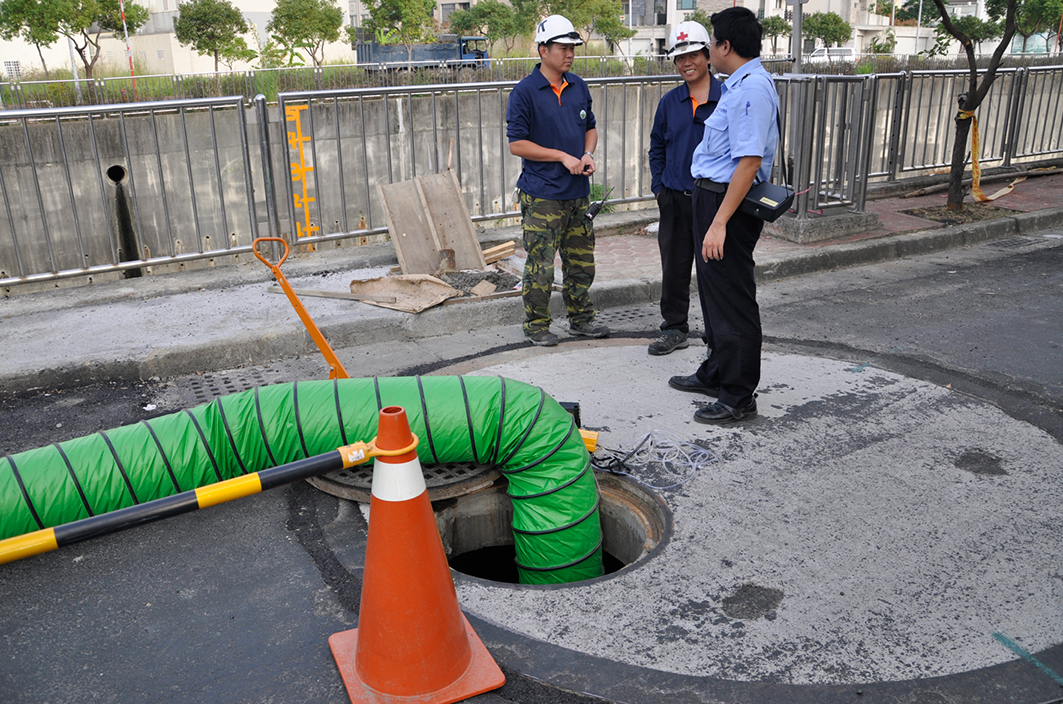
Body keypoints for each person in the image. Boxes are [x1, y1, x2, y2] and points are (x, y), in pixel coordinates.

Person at [668, 7, 779, 424]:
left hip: (726, 204)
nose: (709, 48)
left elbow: (749, 162)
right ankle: (716, 372)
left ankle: (738, 395)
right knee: (715, 295)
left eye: (712, 42)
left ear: (726, 46)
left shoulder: (752, 89)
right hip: (713, 198)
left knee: (732, 299)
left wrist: (718, 223)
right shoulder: (740, 84)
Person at [506, 14, 610, 347]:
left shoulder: (578, 86)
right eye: (563, 48)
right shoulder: (525, 92)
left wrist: (587, 154)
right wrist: (562, 156)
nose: (569, 54)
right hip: (542, 195)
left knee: (581, 263)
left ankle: (581, 320)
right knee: (541, 266)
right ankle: (537, 325)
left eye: (572, 49)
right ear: (542, 50)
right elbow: (517, 144)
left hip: (577, 193)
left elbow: (590, 127)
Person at [647, 21, 721, 356]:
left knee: (715, 271)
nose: (685, 63)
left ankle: (719, 333)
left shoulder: (727, 99)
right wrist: (659, 188)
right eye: (679, 58)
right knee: (674, 269)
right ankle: (674, 328)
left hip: (713, 201)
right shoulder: (670, 102)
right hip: (674, 198)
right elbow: (656, 147)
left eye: (692, 54)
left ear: (707, 55)